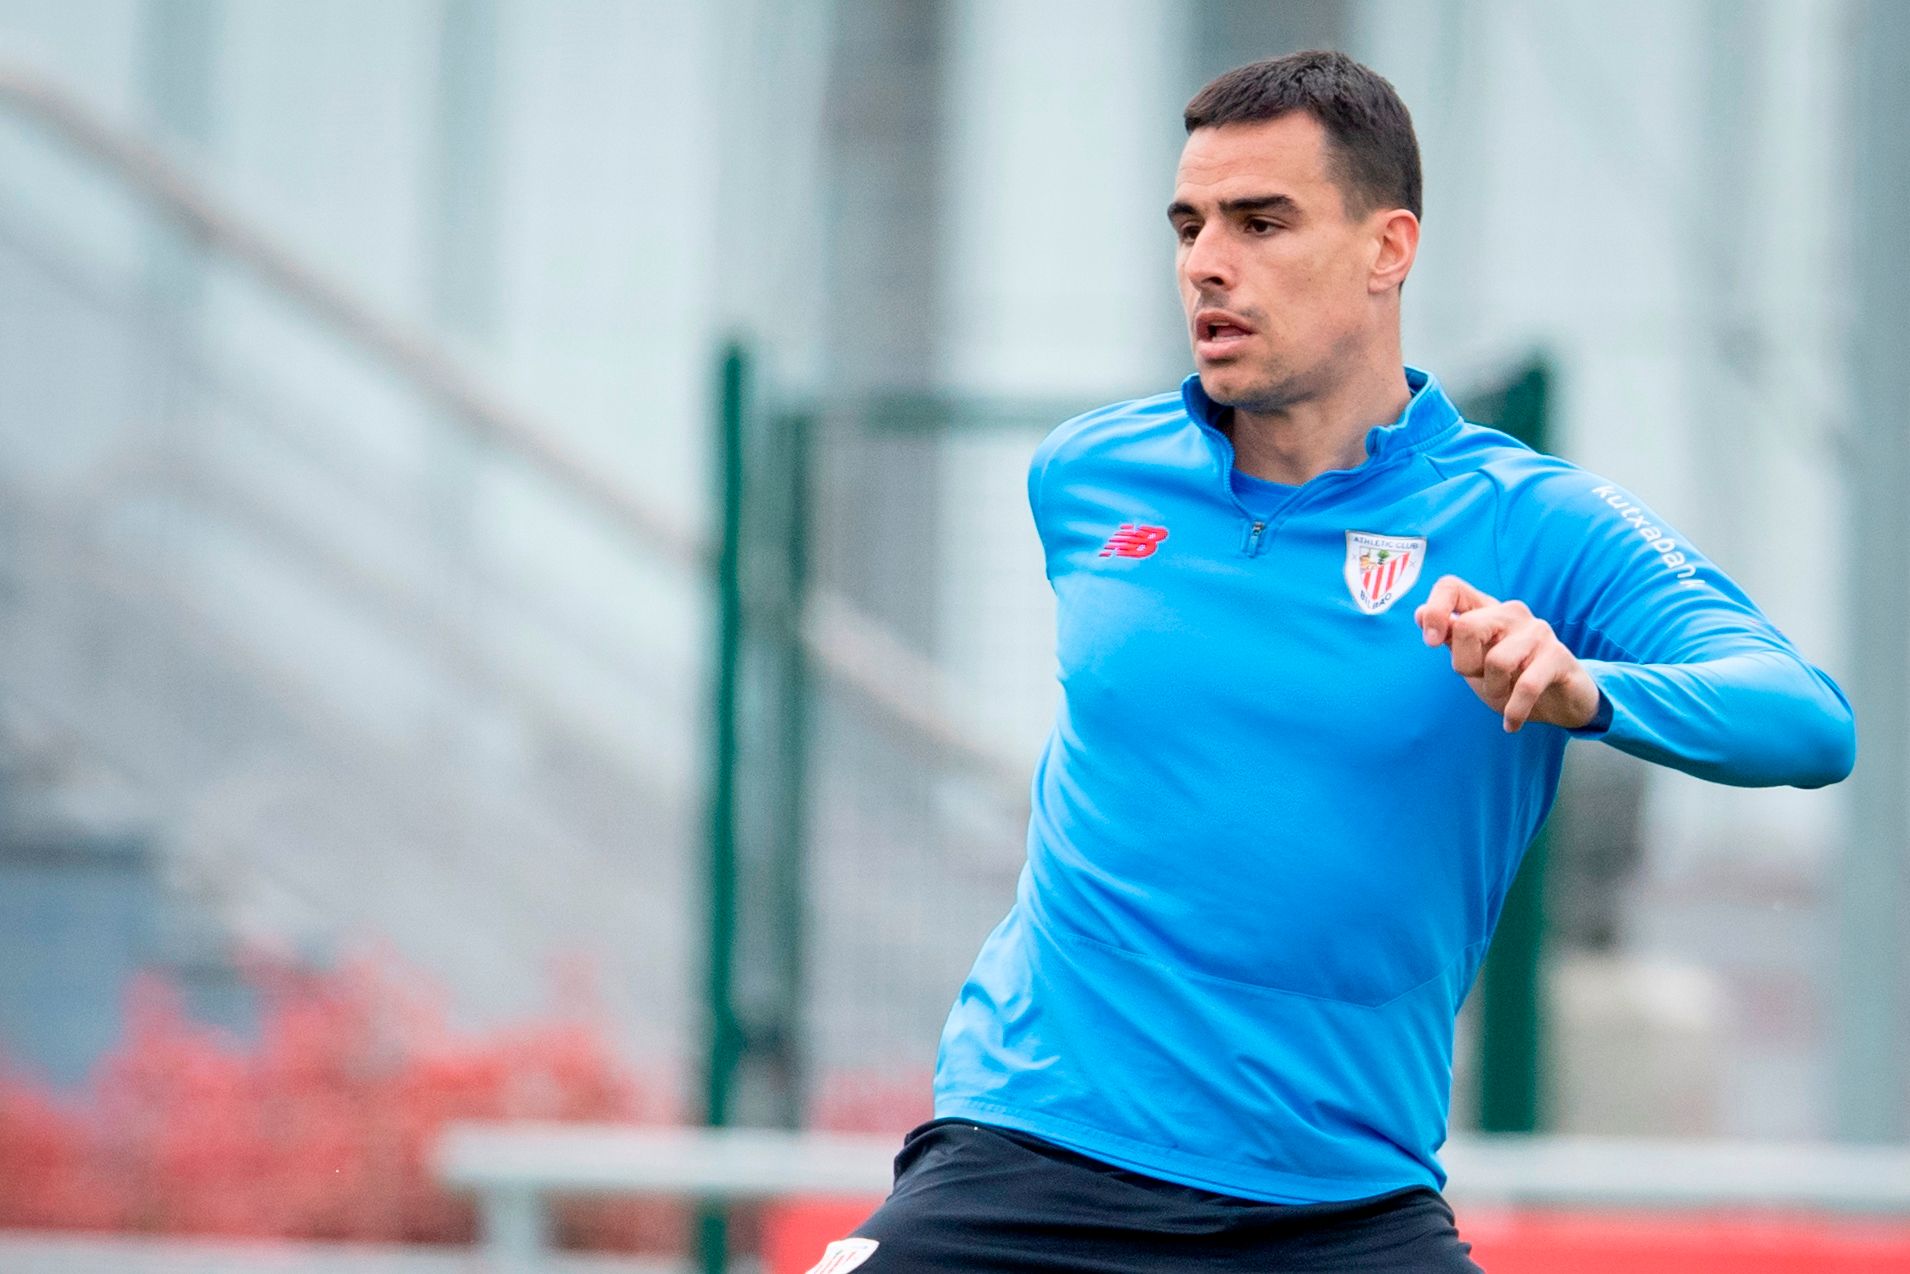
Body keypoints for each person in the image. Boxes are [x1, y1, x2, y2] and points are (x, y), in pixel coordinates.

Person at [808, 49, 1855, 1274]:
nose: (1207, 262)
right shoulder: (1086, 475)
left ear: (1385, 247)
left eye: (1260, 222)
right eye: (1189, 225)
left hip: (1338, 1204)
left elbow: (1805, 718)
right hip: (1030, 1153)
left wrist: (1588, 688)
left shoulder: (1530, 523)